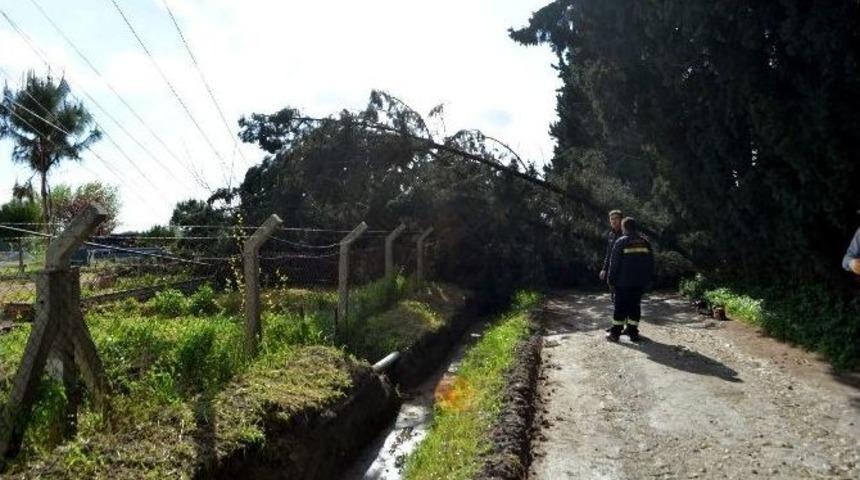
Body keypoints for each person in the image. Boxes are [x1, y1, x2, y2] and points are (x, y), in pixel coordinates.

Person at [606, 217, 654, 342]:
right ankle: (633, 333)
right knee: (635, 307)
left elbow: (614, 264)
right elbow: (651, 263)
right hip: (639, 283)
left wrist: (610, 280)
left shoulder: (621, 241)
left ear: (624, 227)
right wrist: (648, 280)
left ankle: (615, 334)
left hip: (623, 283)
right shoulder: (645, 242)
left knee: (620, 308)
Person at [599, 210, 624, 282]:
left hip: (624, 270)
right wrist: (604, 269)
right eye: (612, 219)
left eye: (616, 218)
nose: (614, 221)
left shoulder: (626, 234)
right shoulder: (611, 234)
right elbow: (609, 253)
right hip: (613, 271)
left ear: (621, 220)